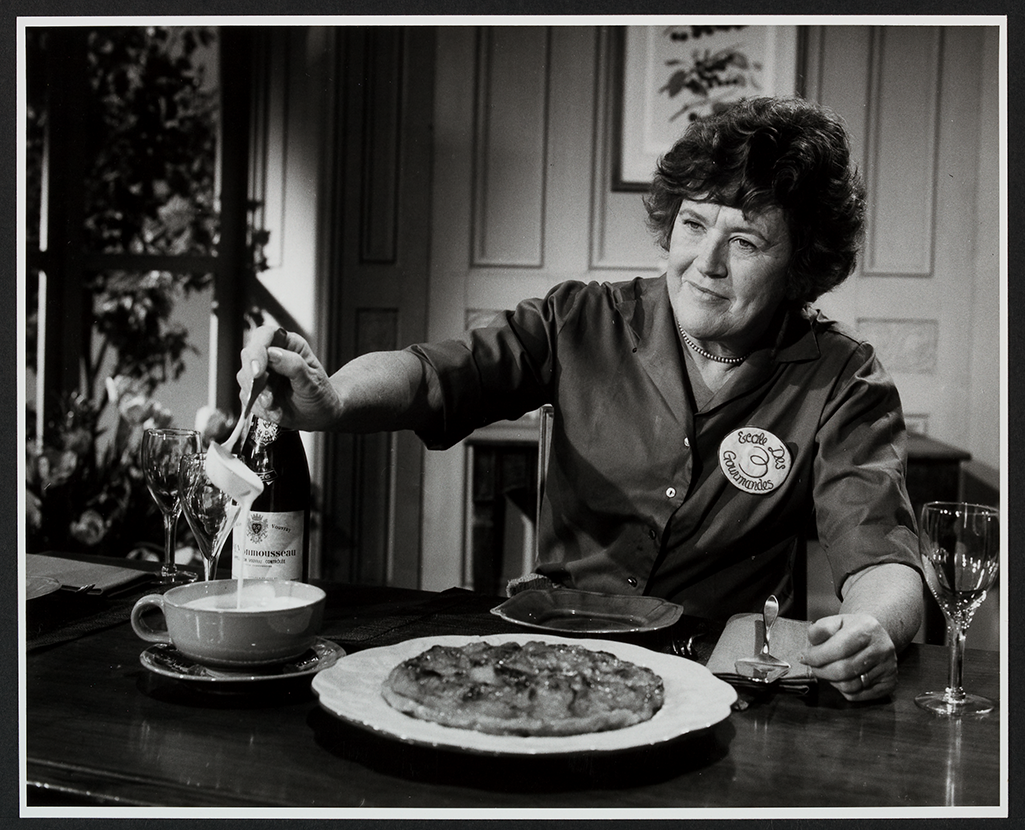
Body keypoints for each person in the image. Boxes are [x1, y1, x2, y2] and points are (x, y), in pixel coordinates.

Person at [238, 96, 923, 702]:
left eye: (743, 240)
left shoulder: (842, 379)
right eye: (692, 225)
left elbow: (879, 557)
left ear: (801, 265)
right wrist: (331, 402)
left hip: (722, 679)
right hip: (545, 658)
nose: (704, 263)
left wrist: (871, 629)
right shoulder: (580, 320)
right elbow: (433, 375)